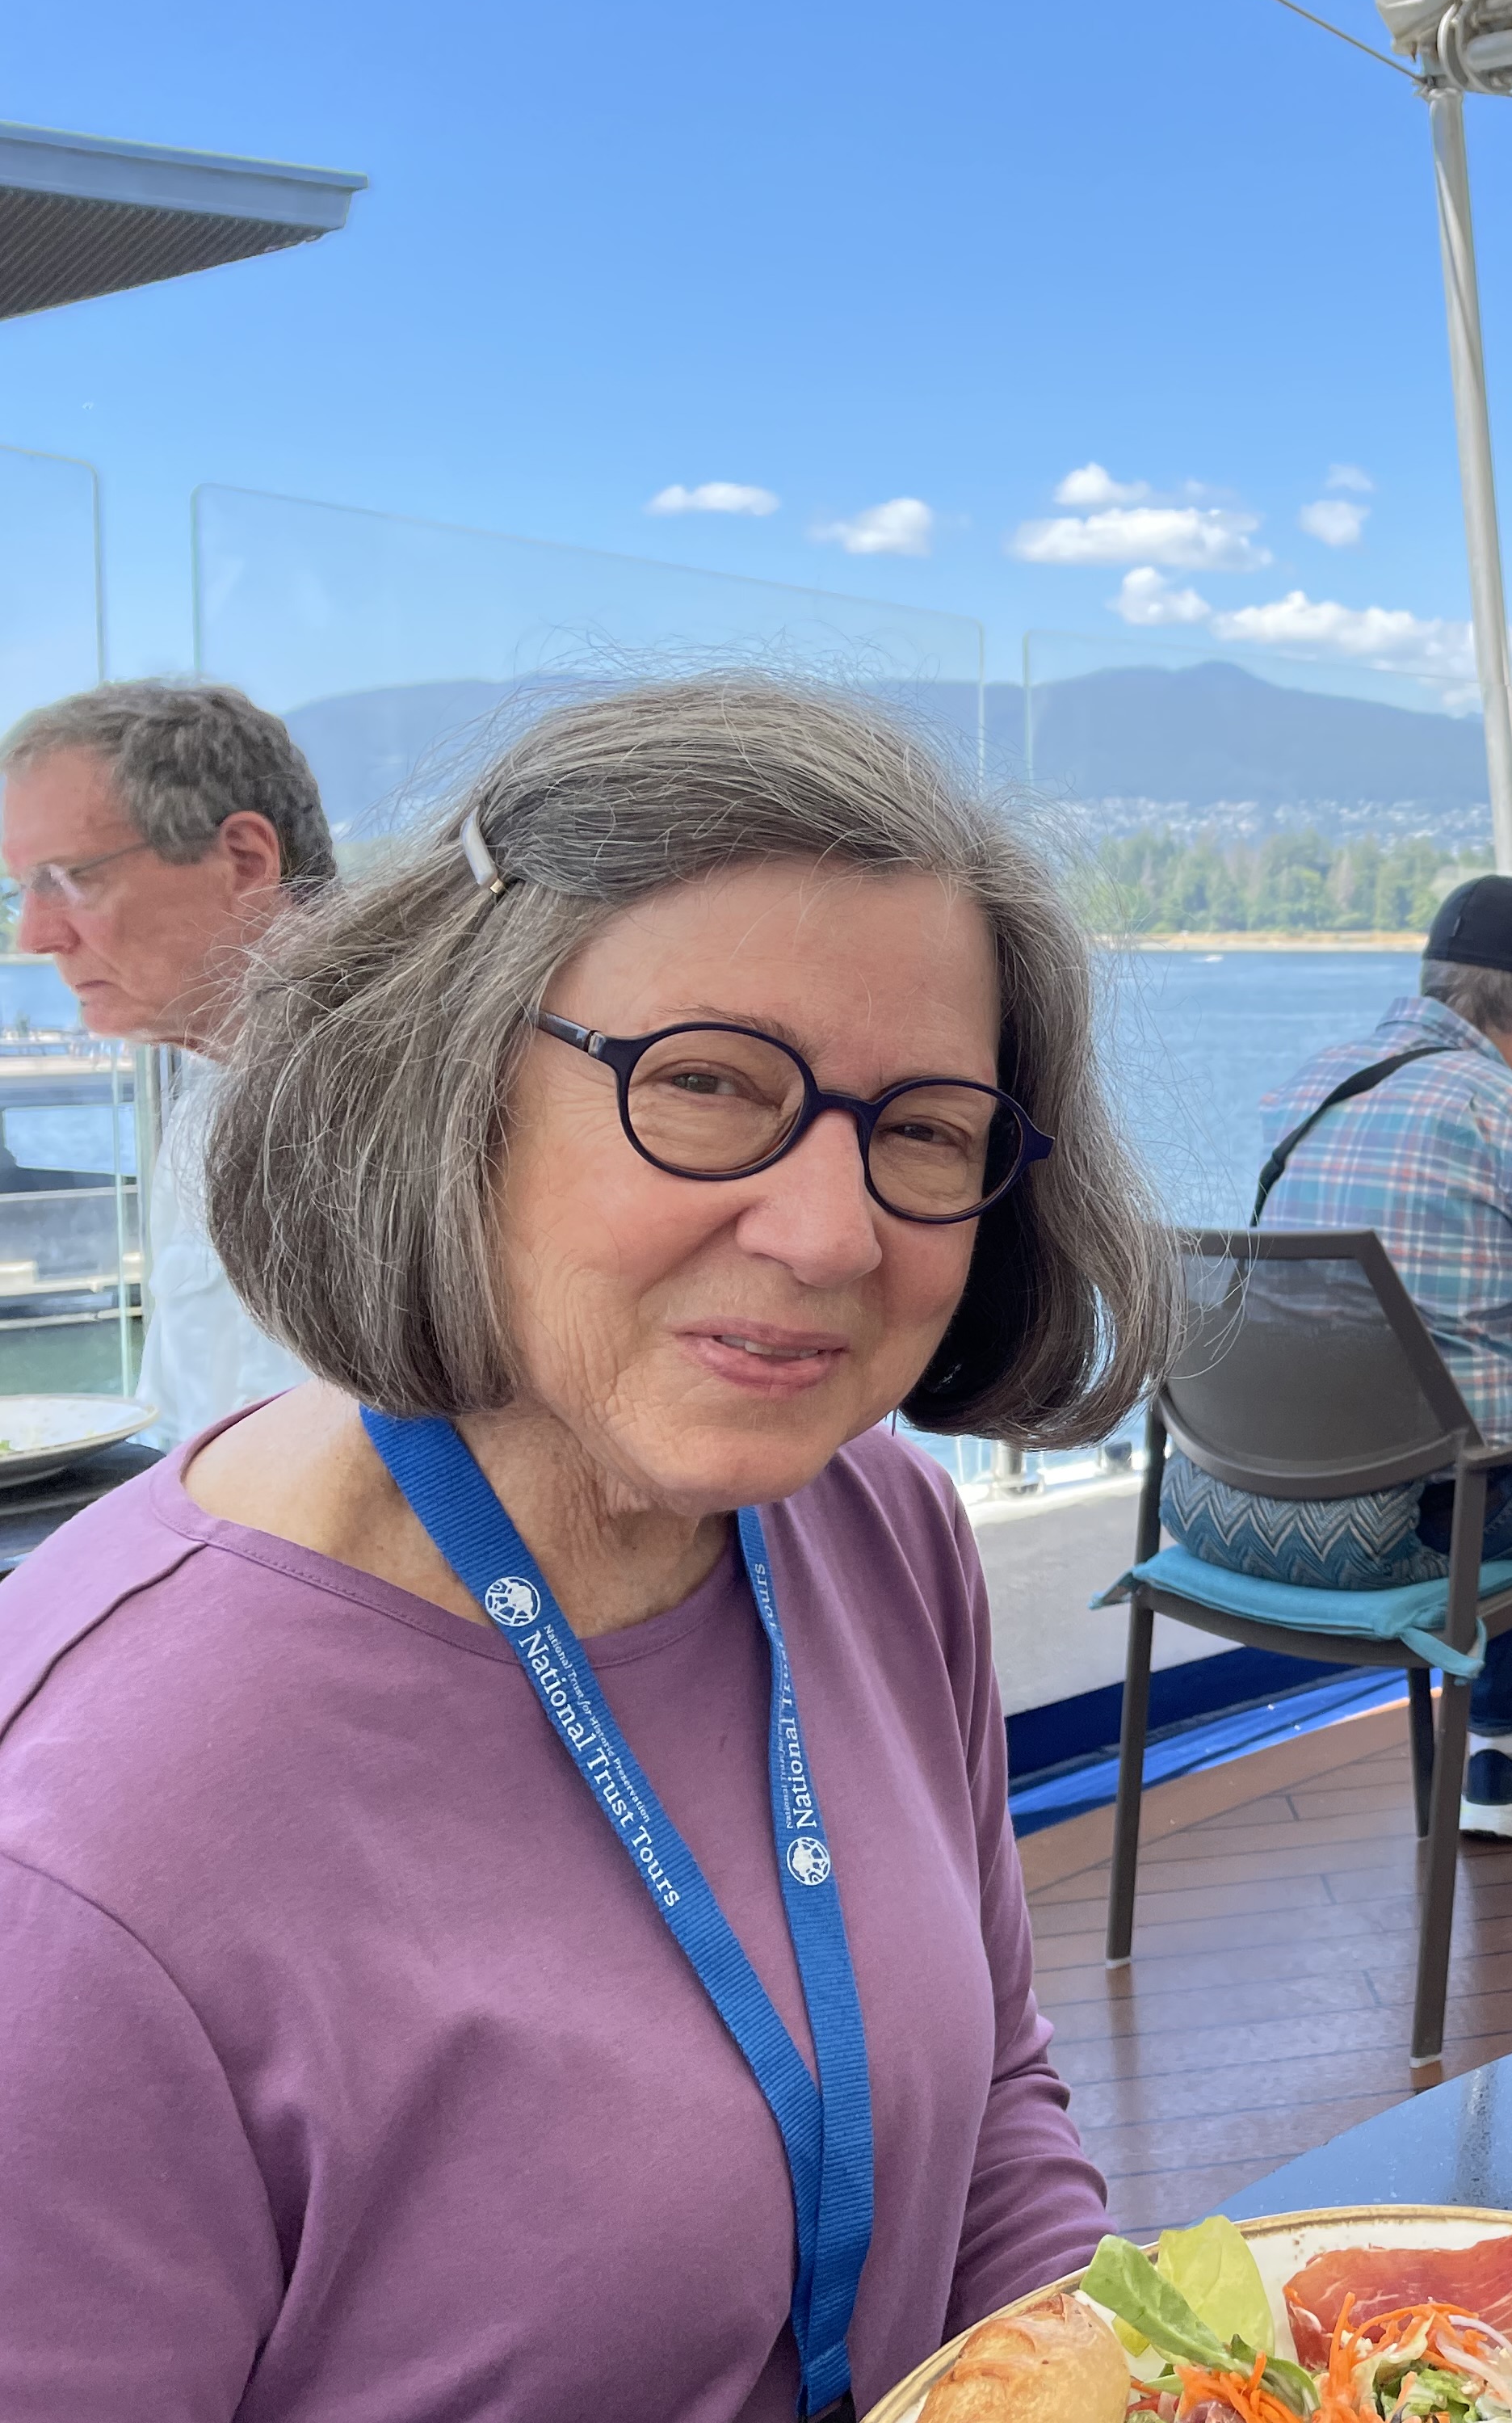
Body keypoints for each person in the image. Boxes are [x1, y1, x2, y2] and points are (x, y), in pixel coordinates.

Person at [0, 677, 1174, 2421]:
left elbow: (995, 2096)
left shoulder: (877, 1528)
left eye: (923, 1128)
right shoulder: (76, 1852)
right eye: (704, 1083)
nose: (832, 1230)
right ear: (448, 1082)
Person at [1161, 874, 1512, 1838]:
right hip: (1414, 1527)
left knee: (1506, 1406)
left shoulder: (1310, 1089)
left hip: (1256, 1500)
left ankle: (1498, 1752)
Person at [0, 681, 338, 1440]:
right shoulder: (206, 1106)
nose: (36, 937)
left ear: (244, 860)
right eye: (24, 891)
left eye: (69, 880)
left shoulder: (427, 1106)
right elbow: (182, 1437)